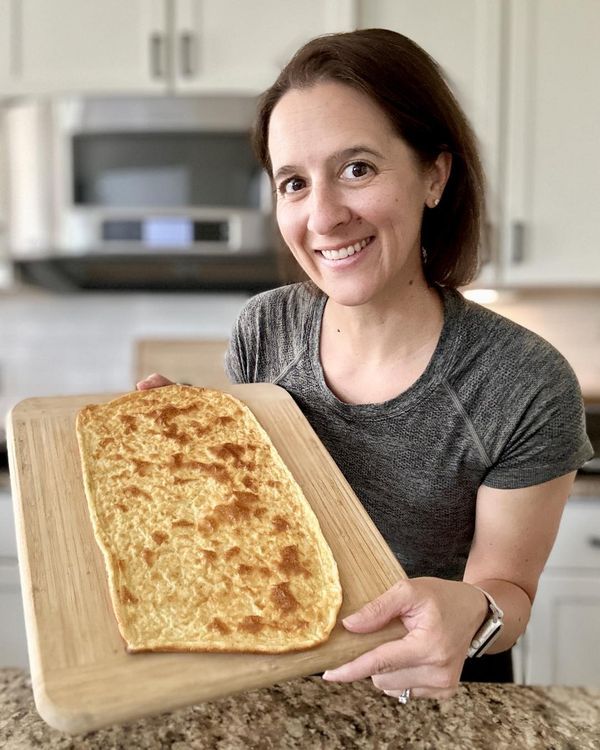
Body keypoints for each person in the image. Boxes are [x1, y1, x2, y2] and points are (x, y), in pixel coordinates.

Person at [137, 29, 593, 702]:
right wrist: (193, 454)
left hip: (432, 700)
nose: (323, 215)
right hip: (276, 682)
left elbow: (509, 594)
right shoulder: (263, 329)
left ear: (434, 174)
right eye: (294, 182)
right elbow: (262, 524)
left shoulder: (524, 384)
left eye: (357, 168)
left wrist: (473, 612)